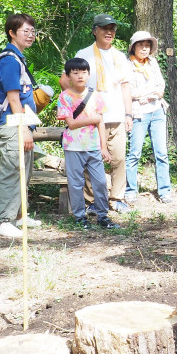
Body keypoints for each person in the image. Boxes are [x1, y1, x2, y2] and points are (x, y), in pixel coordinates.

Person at [65, 14, 133, 214]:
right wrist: (78, 102)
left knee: (119, 158)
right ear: (95, 31)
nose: (109, 32)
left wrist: (128, 114)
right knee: (90, 160)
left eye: (112, 29)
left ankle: (117, 198)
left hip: (116, 115)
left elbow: (126, 87)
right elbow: (65, 80)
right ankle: (91, 201)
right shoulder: (83, 54)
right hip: (91, 118)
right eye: (104, 28)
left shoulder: (120, 57)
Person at [0, 13, 40, 238]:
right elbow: (13, 98)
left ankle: (19, 216)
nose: (30, 35)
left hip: (20, 124)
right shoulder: (9, 60)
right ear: (11, 33)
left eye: (33, 31)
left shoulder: (18, 58)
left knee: (24, 171)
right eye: (25, 31)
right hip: (14, 125)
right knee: (12, 171)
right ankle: (2, 222)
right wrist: (23, 129)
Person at [57, 58, 118, 230]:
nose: (80, 76)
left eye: (83, 72)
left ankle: (103, 216)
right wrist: (93, 119)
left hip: (94, 146)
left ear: (89, 74)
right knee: (76, 183)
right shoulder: (64, 96)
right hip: (73, 146)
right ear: (68, 76)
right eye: (75, 72)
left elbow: (101, 122)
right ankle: (79, 217)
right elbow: (71, 124)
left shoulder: (95, 95)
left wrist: (104, 147)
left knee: (100, 182)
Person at [125, 30, 172, 205]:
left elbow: (161, 87)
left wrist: (151, 94)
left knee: (161, 153)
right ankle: (130, 191)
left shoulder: (153, 63)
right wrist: (150, 93)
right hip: (138, 112)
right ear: (133, 47)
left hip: (157, 111)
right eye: (141, 45)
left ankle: (165, 191)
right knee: (134, 153)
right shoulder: (127, 65)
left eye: (147, 46)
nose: (145, 49)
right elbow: (129, 91)